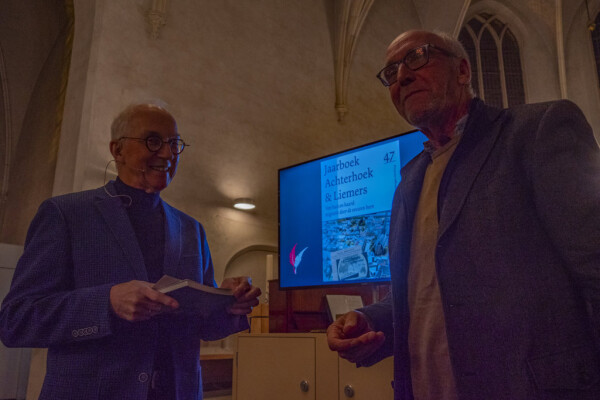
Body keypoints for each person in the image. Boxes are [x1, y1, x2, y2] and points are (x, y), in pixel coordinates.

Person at [327, 29, 600, 400]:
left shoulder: (537, 130)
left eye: (417, 57)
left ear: (463, 70)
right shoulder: (408, 179)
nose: (402, 76)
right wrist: (370, 322)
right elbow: (426, 295)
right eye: (391, 73)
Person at [0, 104, 261, 400]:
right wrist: (107, 302)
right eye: (153, 141)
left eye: (174, 143)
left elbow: (198, 325)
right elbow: (15, 321)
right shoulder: (65, 215)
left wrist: (225, 305)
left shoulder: (192, 230)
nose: (167, 154)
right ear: (118, 150)